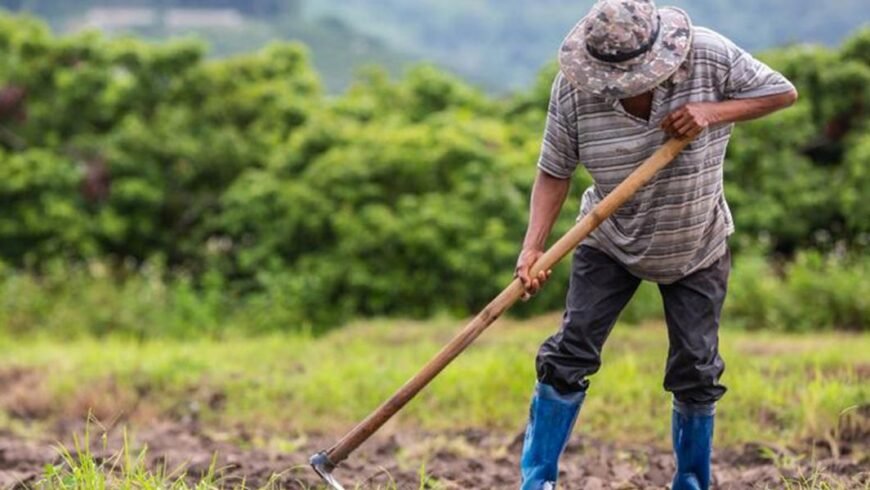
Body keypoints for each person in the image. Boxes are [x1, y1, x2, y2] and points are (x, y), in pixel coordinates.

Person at [514, 1, 798, 489]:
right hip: (608, 239)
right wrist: (532, 250)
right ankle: (536, 481)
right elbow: (553, 171)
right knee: (570, 354)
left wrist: (712, 111)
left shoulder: (707, 55)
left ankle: (691, 482)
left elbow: (782, 92)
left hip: (696, 241)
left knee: (696, 368)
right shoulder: (574, 91)